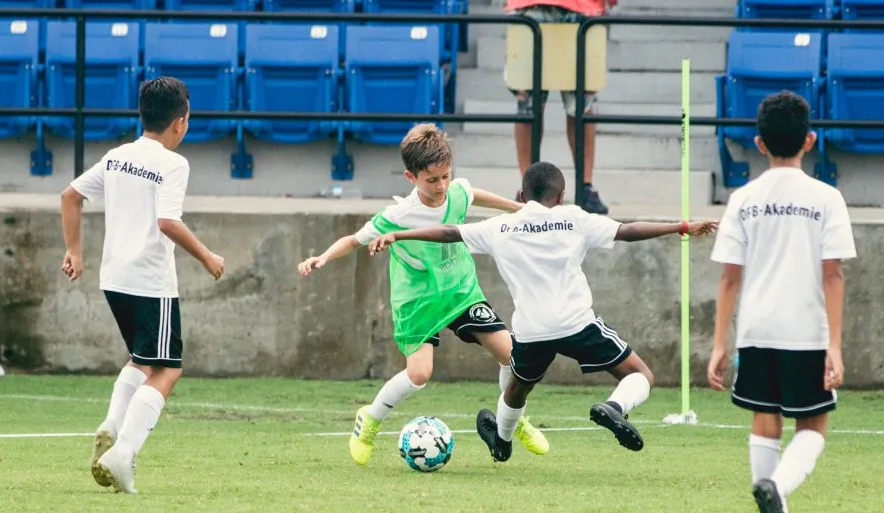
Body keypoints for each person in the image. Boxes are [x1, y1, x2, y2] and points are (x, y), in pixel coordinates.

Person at [368, 161, 717, 461]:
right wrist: (682, 226)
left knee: (518, 387)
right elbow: (627, 231)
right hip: (577, 323)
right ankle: (614, 407)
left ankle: (502, 443)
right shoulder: (573, 218)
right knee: (639, 373)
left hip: (532, 331)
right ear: (561, 197)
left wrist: (400, 235)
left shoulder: (499, 227)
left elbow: (448, 232)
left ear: (521, 197)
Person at [297, 123, 550, 466]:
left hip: (460, 291)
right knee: (419, 374)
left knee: (514, 357)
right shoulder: (396, 217)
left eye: (446, 176)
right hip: (417, 302)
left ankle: (512, 421)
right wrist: (322, 257)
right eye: (432, 180)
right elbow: (353, 240)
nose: (442, 186)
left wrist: (522, 210)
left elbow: (474, 194)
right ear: (410, 176)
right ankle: (369, 419)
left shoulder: (456, 192)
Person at [706, 91, 857, 513]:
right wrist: (835, 344)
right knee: (812, 428)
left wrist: (718, 344)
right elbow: (833, 274)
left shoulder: (744, 199)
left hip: (757, 329)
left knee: (764, 422)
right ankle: (779, 493)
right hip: (806, 331)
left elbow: (730, 277)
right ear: (809, 140)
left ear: (759, 143)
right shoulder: (827, 197)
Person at [60, 76, 226, 494]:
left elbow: (70, 196)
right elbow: (167, 221)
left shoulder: (118, 156)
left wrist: (75, 253)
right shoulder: (173, 163)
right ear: (181, 122)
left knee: (141, 360)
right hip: (151, 282)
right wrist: (208, 256)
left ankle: (113, 424)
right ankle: (123, 453)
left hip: (113, 278)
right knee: (168, 370)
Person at [505, 0, 613, 214]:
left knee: (582, 103)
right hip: (530, 6)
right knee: (527, 103)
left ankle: (585, 187)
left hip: (584, 7)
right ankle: (528, 188)